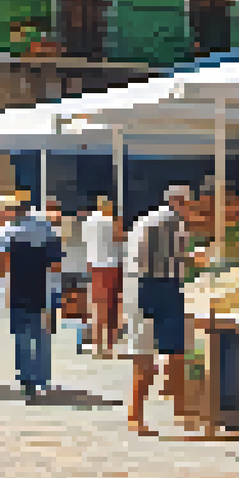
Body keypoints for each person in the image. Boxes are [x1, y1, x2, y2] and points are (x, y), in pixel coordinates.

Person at [125, 184, 195, 435]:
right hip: (162, 287)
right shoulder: (173, 222)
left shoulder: (143, 220)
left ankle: (137, 415)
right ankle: (180, 411)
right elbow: (178, 257)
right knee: (173, 352)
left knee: (145, 354)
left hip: (137, 287)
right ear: (180, 202)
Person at [0, 190, 64, 399]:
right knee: (43, 337)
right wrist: (56, 290)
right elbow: (56, 264)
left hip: (19, 290)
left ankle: (26, 378)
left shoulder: (7, 232)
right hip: (45, 290)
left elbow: (0, 264)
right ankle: (42, 379)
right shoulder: (46, 227)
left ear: (14, 209)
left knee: (22, 336)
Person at [85, 196, 124, 359]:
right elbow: (119, 238)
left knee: (97, 306)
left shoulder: (88, 222)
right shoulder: (110, 222)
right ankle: (109, 346)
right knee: (112, 307)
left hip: (95, 266)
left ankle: (96, 345)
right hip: (112, 266)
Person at [53, 202, 91, 355]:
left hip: (73, 270)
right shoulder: (87, 227)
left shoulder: (60, 228)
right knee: (75, 307)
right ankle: (76, 341)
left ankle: (76, 341)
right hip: (74, 270)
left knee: (75, 307)